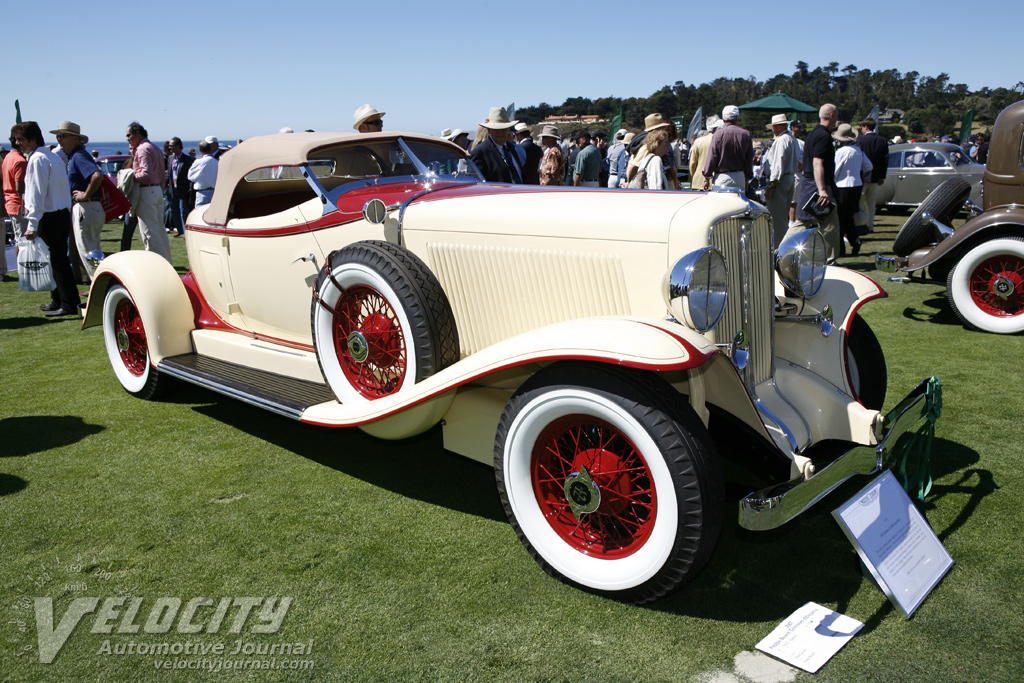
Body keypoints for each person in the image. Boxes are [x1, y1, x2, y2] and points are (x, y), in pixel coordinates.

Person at [12, 122, 81, 316]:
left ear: (32, 139)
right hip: (59, 214)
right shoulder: (52, 156)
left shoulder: (38, 159)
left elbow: (36, 194)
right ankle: (59, 299)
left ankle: (68, 303)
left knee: (57, 261)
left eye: (20, 139)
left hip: (49, 216)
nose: (17, 143)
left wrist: (32, 223)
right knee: (55, 259)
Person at [52, 121, 104, 280]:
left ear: (75, 138)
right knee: (91, 251)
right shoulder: (76, 156)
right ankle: (96, 284)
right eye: (58, 136)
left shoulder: (78, 156)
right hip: (89, 207)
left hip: (86, 207)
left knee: (89, 252)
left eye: (62, 136)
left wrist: (85, 195)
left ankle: (99, 285)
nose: (59, 140)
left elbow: (97, 175)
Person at [791, 104, 841, 262]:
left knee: (802, 222)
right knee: (830, 226)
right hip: (818, 185)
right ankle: (830, 260)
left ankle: (780, 253)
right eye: (837, 114)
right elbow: (817, 163)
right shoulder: (823, 136)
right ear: (831, 115)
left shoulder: (812, 134)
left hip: (809, 184)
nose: (837, 117)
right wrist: (822, 190)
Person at [125, 122, 171, 263]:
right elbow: (162, 176)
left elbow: (146, 174)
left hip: (146, 191)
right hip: (156, 191)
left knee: (149, 232)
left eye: (129, 135)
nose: (127, 139)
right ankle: (166, 262)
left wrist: (128, 176)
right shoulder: (155, 148)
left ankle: (157, 265)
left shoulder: (142, 149)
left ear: (138, 133)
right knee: (160, 230)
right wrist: (158, 190)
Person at [833, 123, 872, 256]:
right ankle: (854, 240)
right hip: (856, 184)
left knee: (840, 217)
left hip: (842, 185)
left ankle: (841, 247)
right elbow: (869, 166)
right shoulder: (858, 150)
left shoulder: (841, 152)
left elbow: (836, 170)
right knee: (848, 216)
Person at [763, 114, 800, 247]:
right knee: (783, 215)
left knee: (777, 217)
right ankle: (782, 244)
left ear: (778, 127)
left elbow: (778, 164)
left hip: (780, 180)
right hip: (790, 178)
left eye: (774, 127)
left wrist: (771, 186)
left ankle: (778, 246)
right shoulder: (793, 139)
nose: (774, 130)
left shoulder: (781, 141)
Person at [702, 105, 753, 190]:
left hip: (722, 177)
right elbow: (749, 159)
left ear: (723, 119)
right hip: (740, 176)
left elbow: (712, 157)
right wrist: (747, 177)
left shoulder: (718, 134)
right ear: (736, 118)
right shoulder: (745, 134)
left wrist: (707, 177)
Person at [469, 107, 523, 183]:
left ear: (509, 129)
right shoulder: (480, 153)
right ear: (489, 130)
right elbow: (475, 183)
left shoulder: (511, 147)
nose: (500, 133)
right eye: (496, 129)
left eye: (504, 129)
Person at [856, 117, 888, 234]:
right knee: (871, 203)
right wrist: (882, 176)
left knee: (860, 202)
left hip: (861, 175)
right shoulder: (882, 140)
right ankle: (869, 226)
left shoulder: (860, 140)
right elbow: (885, 160)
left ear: (865, 127)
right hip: (875, 176)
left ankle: (860, 224)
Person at [3, 130, 27, 268]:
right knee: (23, 241)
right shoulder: (20, 161)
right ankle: (23, 269)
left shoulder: (8, 157)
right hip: (19, 205)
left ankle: (21, 268)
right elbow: (20, 188)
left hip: (11, 203)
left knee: (19, 239)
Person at [167, 137, 194, 236]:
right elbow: (169, 174)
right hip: (172, 189)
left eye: (171, 145)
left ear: (178, 146)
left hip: (183, 190)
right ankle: (179, 230)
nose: (170, 147)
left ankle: (186, 232)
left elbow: (190, 175)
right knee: (174, 210)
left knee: (183, 211)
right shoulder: (170, 158)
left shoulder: (187, 159)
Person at [688, 115, 721, 191]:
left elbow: (692, 164)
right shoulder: (721, 141)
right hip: (716, 181)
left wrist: (691, 179)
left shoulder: (698, 141)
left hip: (698, 181)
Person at [188, 139, 219, 206]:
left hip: (202, 192)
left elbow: (190, 177)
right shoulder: (217, 162)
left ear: (200, 150)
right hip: (214, 192)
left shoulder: (199, 162)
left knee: (200, 211)